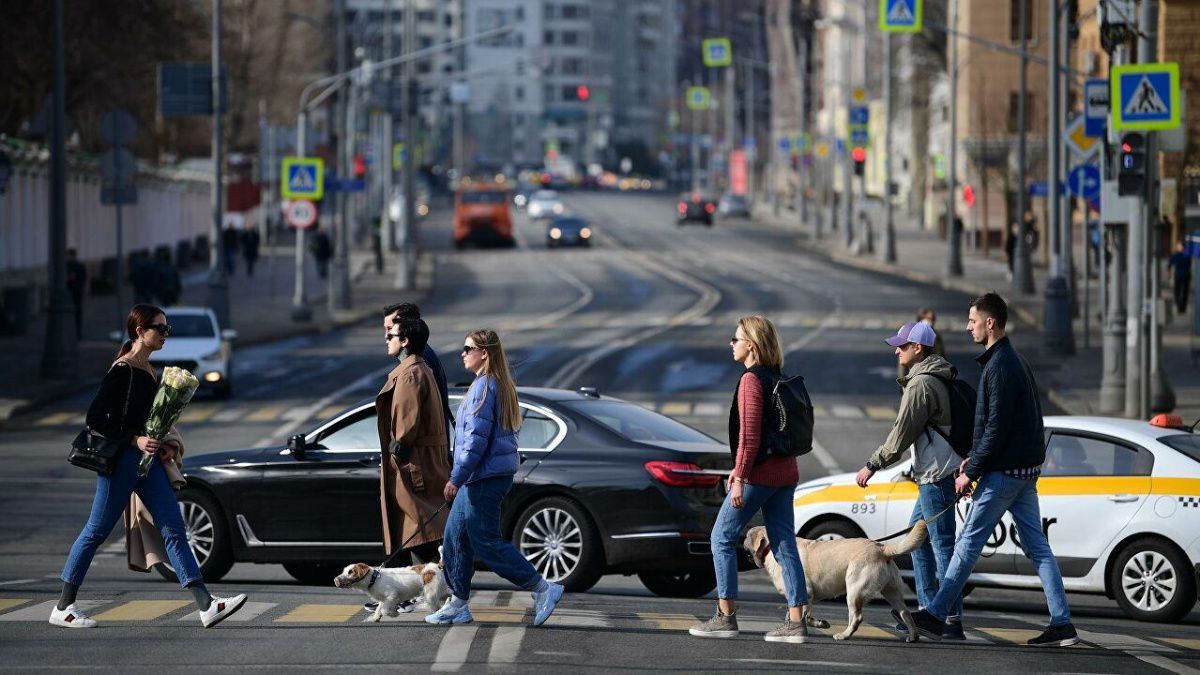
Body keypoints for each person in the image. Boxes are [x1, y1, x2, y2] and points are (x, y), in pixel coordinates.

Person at [52, 304, 246, 629]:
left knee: (173, 526)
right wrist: (135, 441)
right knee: (96, 531)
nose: (165, 334)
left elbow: (146, 419)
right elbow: (95, 419)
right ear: (140, 331)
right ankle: (63, 606)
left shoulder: (147, 370)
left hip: (147, 462)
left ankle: (206, 605)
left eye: (166, 329)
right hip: (122, 461)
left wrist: (163, 444)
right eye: (160, 328)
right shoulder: (124, 369)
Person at [909, 293, 1079, 647]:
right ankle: (1062, 622)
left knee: (967, 545)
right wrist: (974, 458)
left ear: (990, 323)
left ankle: (938, 614)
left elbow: (996, 429)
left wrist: (970, 471)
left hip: (1004, 474)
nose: (968, 326)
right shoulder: (1012, 361)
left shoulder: (1000, 367)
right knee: (1038, 547)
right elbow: (1008, 426)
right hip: (1023, 472)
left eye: (972, 321)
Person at [425, 329, 565, 627]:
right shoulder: (488, 384)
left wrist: (456, 477)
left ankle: (543, 588)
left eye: (468, 348)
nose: (463, 353)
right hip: (481, 476)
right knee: (455, 538)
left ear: (484, 353)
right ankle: (458, 604)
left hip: (483, 477)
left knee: (485, 541)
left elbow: (474, 441)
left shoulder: (486, 387)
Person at [689, 315, 811, 643]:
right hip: (786, 473)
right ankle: (797, 622)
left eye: (736, 338)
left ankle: (725, 616)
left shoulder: (750, 381)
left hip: (759, 475)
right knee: (786, 545)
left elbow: (750, 437)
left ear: (751, 346)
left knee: (721, 538)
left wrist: (740, 476)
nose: (731, 343)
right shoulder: (777, 376)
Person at [858, 321, 964, 640]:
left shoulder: (921, 384)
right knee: (916, 542)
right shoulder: (936, 375)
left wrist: (872, 464)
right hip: (936, 473)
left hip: (936, 475)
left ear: (918, 349)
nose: (897, 350)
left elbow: (901, 433)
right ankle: (929, 611)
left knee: (943, 545)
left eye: (903, 346)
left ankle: (949, 619)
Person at [376, 315, 451, 611]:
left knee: (421, 533)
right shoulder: (420, 368)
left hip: (411, 466)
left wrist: (399, 448)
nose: (387, 338)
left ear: (405, 340)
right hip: (423, 462)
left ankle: (441, 596)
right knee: (421, 534)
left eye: (391, 334)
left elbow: (405, 425)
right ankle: (429, 594)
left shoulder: (409, 373)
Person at [385, 302, 451, 440]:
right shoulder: (419, 356)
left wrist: (396, 452)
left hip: (419, 456)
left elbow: (408, 422)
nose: (386, 335)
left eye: (390, 329)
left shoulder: (416, 365)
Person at [66, 248, 87, 338]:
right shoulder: (67, 266)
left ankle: (77, 333)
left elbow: (83, 278)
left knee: (76, 313)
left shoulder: (77, 266)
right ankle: (74, 332)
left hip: (75, 292)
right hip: (72, 292)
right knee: (73, 313)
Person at [1168, 240, 1192, 315]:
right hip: (1185, 275)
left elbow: (1170, 264)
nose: (1177, 247)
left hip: (1179, 275)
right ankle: (1182, 308)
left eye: (1178, 246)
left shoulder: (1176, 255)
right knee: (1184, 292)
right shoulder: (1187, 255)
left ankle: (1179, 307)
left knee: (1177, 292)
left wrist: (1169, 272)